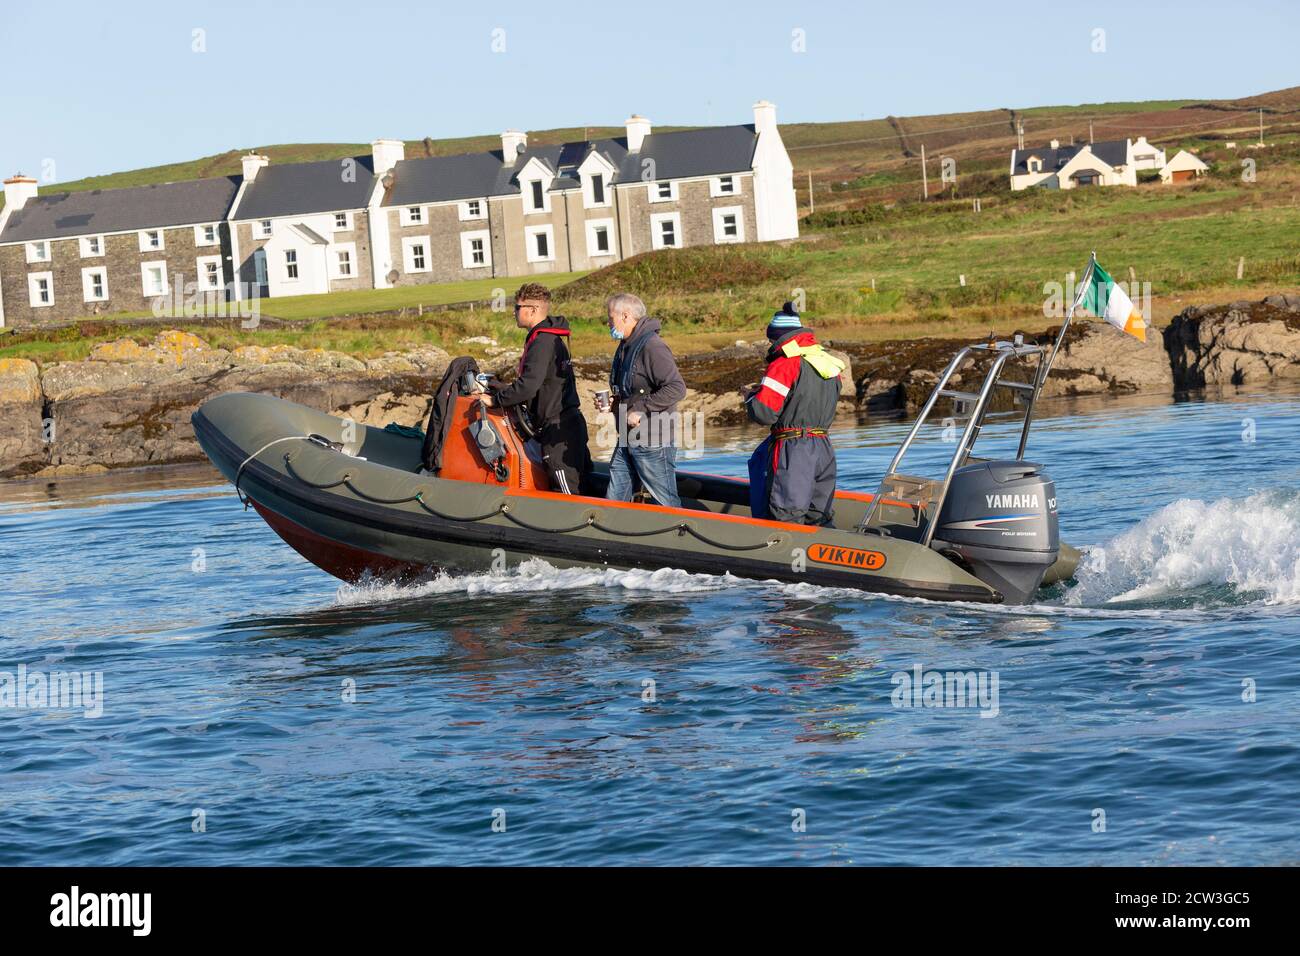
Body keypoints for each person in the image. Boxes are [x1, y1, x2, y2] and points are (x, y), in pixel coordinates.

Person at [485, 282, 592, 495]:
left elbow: (528, 386)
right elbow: (540, 383)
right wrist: (499, 387)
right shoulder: (550, 337)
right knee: (582, 485)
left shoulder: (542, 342)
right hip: (569, 425)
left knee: (567, 494)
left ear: (532, 310)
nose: (514, 313)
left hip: (558, 430)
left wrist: (495, 401)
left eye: (517, 308)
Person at [744, 301, 844, 524]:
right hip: (824, 447)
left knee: (785, 514)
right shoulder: (826, 361)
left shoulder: (784, 363)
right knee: (818, 515)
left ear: (778, 337)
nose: (770, 344)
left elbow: (764, 413)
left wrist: (750, 398)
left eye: (771, 339)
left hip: (793, 449)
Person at [604, 292, 687, 507]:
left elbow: (676, 387)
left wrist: (640, 408)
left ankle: (677, 538)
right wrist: (614, 403)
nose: (607, 322)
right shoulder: (626, 345)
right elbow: (633, 389)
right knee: (615, 500)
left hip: (653, 441)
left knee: (666, 502)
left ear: (626, 316)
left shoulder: (653, 347)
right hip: (626, 436)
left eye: (610, 317)